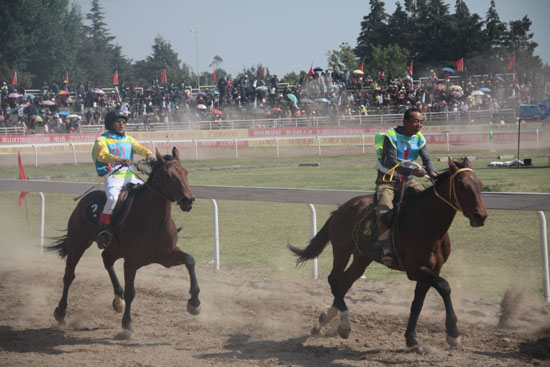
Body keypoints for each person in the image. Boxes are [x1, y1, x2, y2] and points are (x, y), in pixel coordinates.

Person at [373, 107, 437, 266]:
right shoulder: (391, 136)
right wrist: (413, 171)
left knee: (427, 202)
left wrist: (434, 174)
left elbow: (427, 160)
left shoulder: (420, 139)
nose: (419, 125)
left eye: (422, 122)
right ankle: (385, 246)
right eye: (416, 121)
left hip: (407, 179)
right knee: (385, 209)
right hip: (387, 180)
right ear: (405, 122)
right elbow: (391, 162)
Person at [92, 110, 152, 249]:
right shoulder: (102, 139)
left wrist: (148, 154)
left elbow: (139, 148)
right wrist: (118, 159)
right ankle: (104, 229)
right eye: (118, 122)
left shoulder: (129, 139)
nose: (121, 124)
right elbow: (102, 155)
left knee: (149, 193)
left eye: (123, 122)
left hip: (130, 176)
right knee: (112, 198)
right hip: (113, 176)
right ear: (111, 124)